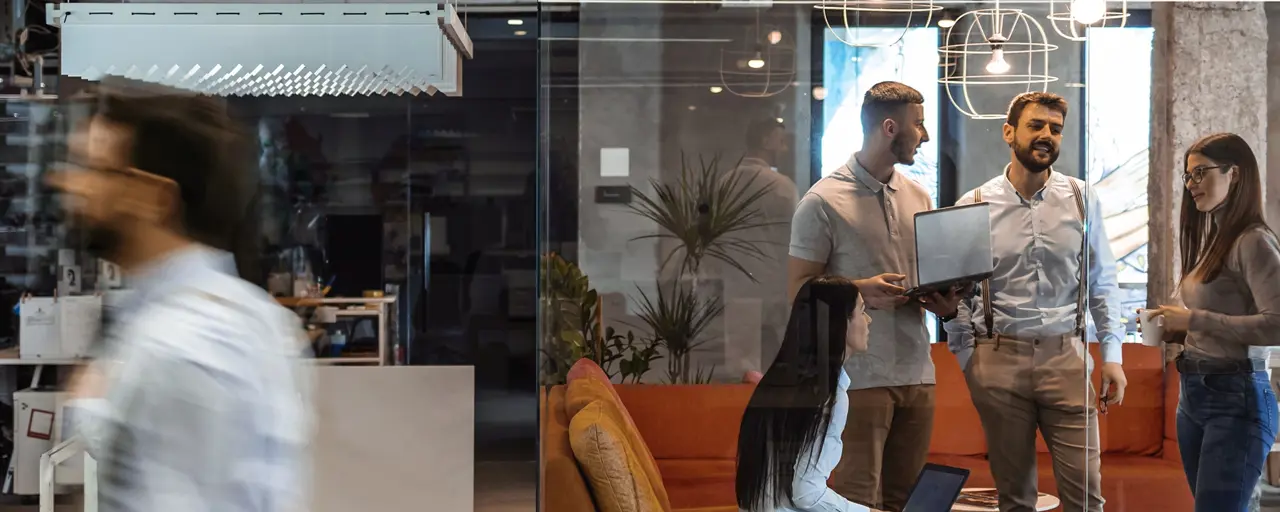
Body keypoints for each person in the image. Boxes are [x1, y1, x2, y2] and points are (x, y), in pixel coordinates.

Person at [51, 78, 313, 512]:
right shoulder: (250, 315)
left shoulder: (178, 348)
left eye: (93, 168)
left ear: (154, 198)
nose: (69, 183)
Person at [944, 92, 1128, 512]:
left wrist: (1113, 356)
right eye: (1036, 126)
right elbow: (958, 295)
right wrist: (967, 359)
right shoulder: (973, 206)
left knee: (1086, 498)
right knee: (1015, 501)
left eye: (1055, 129)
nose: (1047, 135)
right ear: (1010, 132)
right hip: (998, 360)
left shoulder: (1083, 198)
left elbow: (1103, 281)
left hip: (1066, 356)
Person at [788, 81, 962, 512]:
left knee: (912, 502)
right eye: (918, 125)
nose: (924, 135)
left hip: (918, 372)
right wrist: (860, 291)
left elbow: (927, 276)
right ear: (889, 127)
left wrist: (947, 303)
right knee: (855, 499)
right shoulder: (822, 201)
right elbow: (796, 292)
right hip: (858, 377)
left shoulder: (920, 196)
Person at [1144, 133, 1280, 511]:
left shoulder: (1253, 241)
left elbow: (1277, 324)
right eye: (1188, 176)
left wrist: (1195, 319)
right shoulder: (1216, 237)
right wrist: (1179, 327)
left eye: (1201, 173)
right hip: (1195, 393)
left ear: (1234, 174)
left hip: (1236, 397)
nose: (1192, 185)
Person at [735, 275, 880, 512]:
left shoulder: (777, 381)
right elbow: (806, 493)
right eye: (862, 311)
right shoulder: (828, 396)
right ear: (840, 322)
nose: (869, 320)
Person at [723, 118, 799, 375]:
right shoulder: (782, 187)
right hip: (773, 282)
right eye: (780, 141)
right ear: (766, 141)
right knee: (778, 359)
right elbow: (795, 241)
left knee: (740, 365)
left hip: (734, 284)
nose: (784, 149)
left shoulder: (723, 183)